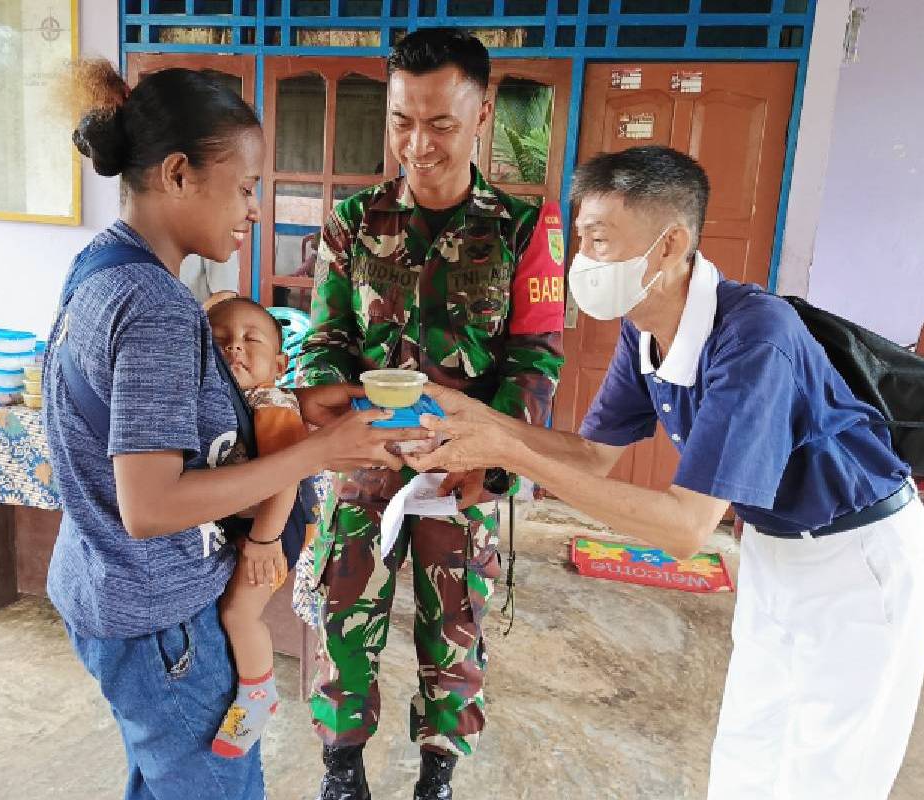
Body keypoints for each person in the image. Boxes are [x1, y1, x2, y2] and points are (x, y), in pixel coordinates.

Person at [407, 146, 924, 800]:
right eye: (580, 241)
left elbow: (687, 529)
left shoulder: (754, 337)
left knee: (831, 768)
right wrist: (480, 418)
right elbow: (590, 456)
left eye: (600, 241)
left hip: (858, 558)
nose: (583, 262)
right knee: (750, 739)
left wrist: (510, 453)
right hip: (776, 550)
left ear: (669, 246)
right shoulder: (646, 329)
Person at [45, 59, 424, 800]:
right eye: (246, 188)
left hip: (112, 592)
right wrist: (317, 453)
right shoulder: (153, 305)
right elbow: (150, 505)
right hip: (162, 625)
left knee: (170, 782)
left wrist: (302, 414)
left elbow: (175, 423)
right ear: (180, 173)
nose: (254, 209)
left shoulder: (104, 264)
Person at [297, 28, 567, 800]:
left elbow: (536, 363)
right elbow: (326, 339)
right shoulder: (353, 222)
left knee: (455, 627)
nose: (418, 144)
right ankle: (342, 770)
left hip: (465, 470)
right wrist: (324, 403)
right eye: (401, 121)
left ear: (481, 115)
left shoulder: (522, 230)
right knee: (343, 617)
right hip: (368, 459)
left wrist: (492, 458)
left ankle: (437, 773)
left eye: (440, 123)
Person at [205, 297, 316, 759]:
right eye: (221, 341)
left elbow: (286, 475)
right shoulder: (226, 398)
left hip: (280, 521)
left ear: (280, 361)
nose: (236, 350)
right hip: (254, 517)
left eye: (252, 341)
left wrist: (263, 540)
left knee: (238, 613)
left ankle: (258, 695)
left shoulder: (272, 403)